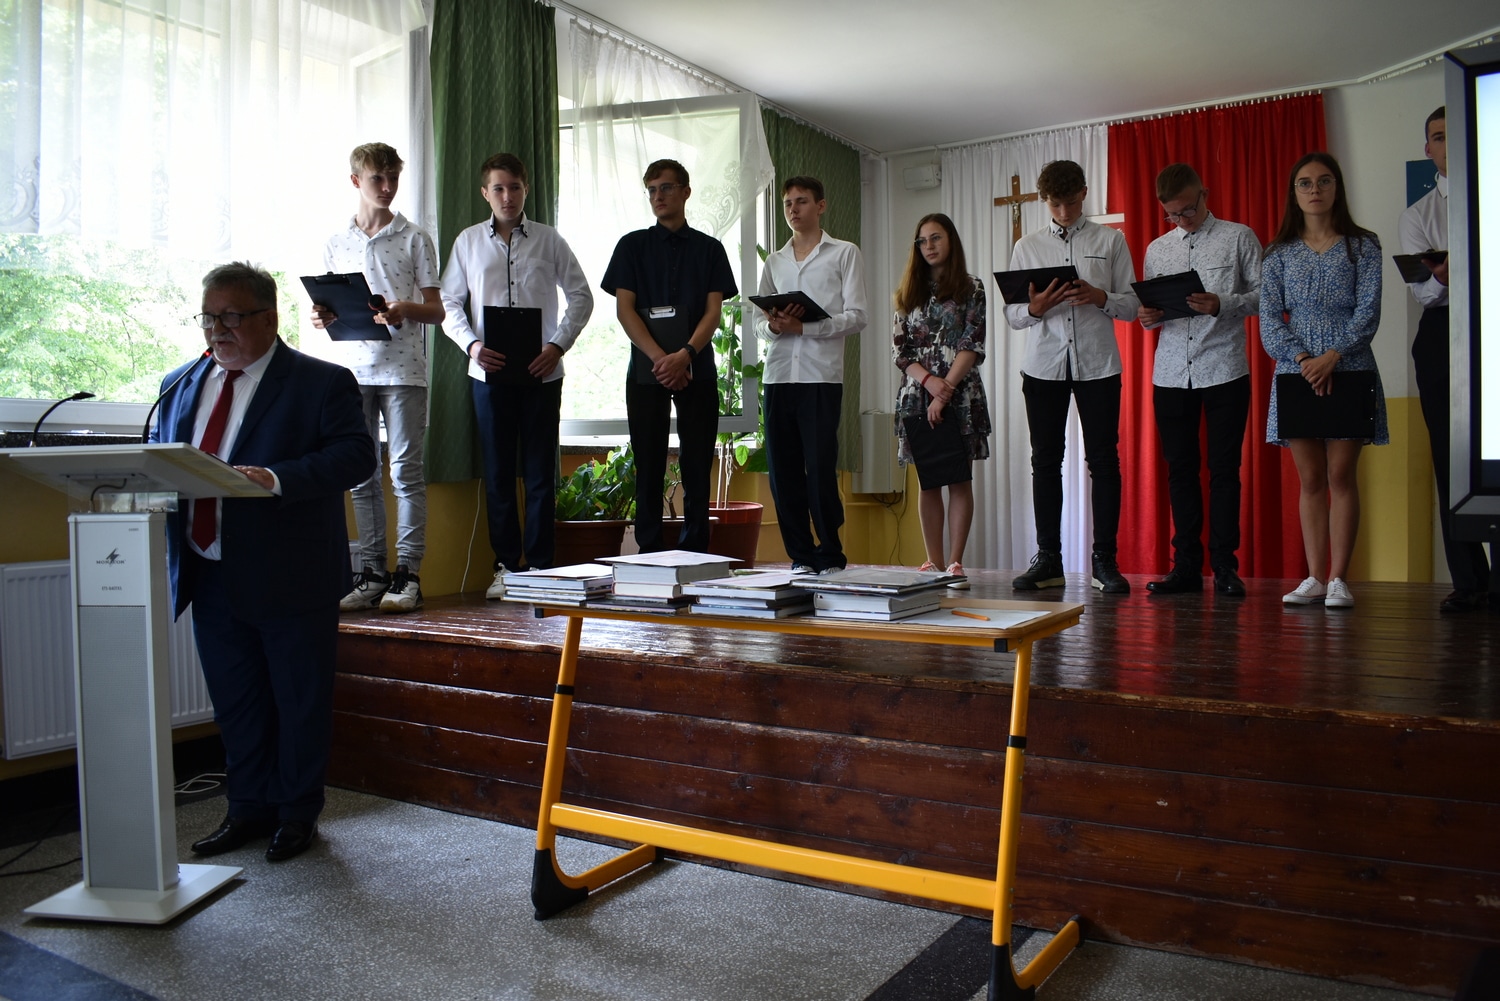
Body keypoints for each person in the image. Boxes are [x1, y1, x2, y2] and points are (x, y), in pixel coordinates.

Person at [152, 262, 373, 862]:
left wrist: (274, 478)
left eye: (230, 317)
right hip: (209, 570)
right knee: (236, 702)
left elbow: (356, 457)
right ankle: (246, 808)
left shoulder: (320, 381)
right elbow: (160, 459)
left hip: (290, 574)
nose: (216, 330)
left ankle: (297, 813)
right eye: (208, 318)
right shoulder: (180, 382)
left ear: (269, 319)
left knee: (299, 702)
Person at [440, 153, 593, 598]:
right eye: (499, 188)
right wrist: (472, 345)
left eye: (515, 187)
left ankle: (541, 568)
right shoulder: (468, 242)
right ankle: (507, 567)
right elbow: (449, 302)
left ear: (526, 190)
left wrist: (557, 345)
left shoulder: (550, 240)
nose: (507, 196)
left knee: (541, 473)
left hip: (542, 372)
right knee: (499, 473)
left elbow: (581, 296)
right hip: (488, 373)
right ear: (485, 193)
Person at [312, 142, 442, 615]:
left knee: (405, 472)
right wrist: (322, 316)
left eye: (393, 178)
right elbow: (332, 303)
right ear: (356, 181)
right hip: (352, 371)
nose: (387, 188)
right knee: (361, 474)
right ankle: (371, 573)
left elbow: (437, 310)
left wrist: (405, 309)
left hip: (404, 370)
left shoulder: (415, 237)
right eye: (377, 179)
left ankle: (408, 574)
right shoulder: (336, 241)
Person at [1004, 159, 1139, 594]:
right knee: (1045, 461)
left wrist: (1100, 296)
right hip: (1043, 366)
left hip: (1098, 364)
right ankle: (1049, 560)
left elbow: (1133, 306)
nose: (1063, 212)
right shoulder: (1027, 246)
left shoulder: (1111, 240)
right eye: (1055, 204)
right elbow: (1012, 314)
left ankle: (1105, 561)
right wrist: (1036, 308)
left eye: (1071, 202)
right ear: (1045, 200)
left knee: (1104, 461)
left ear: (1084, 193)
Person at [1260, 152, 1386, 610]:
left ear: (1337, 188)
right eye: (1306, 183)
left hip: (1349, 366)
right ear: (1294, 192)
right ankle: (1313, 577)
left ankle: (1338, 579)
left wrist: (1332, 356)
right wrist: (1303, 359)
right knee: (1310, 478)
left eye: (1324, 181)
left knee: (1340, 475)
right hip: (1297, 370)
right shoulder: (1278, 252)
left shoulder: (1363, 246)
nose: (1315, 190)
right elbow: (1269, 318)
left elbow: (1368, 312)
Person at [1137, 164, 1261, 597]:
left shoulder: (1239, 237)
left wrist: (1222, 303)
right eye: (1173, 214)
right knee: (1180, 471)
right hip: (1171, 372)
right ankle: (1186, 567)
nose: (1182, 220)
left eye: (1188, 210)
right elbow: (1151, 312)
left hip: (1224, 367)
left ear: (1204, 194)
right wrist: (1148, 316)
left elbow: (1265, 295)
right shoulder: (1157, 249)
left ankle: (1225, 567)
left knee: (1225, 471)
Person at [602, 159, 737, 553]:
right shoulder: (631, 246)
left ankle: (695, 553)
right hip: (647, 371)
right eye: (652, 190)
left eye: (666, 187)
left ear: (686, 192)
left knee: (697, 465)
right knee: (648, 465)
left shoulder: (710, 250)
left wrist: (686, 355)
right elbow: (624, 310)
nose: (658, 196)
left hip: (697, 369)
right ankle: (648, 553)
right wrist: (662, 359)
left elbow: (714, 313)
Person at [1400, 107, 1493, 613]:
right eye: (1438, 137)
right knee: (1449, 458)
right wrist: (1447, 275)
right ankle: (1470, 581)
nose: (1446, 144)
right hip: (1443, 333)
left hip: (1493, 326)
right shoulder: (1418, 216)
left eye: (1453, 135)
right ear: (1428, 149)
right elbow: (1423, 293)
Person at [754, 176, 868, 575]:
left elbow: (858, 316)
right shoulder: (775, 261)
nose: (793, 209)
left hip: (821, 378)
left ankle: (830, 553)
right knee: (782, 472)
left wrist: (806, 327)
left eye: (801, 201)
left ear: (820, 206)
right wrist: (774, 326)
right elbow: (757, 322)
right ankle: (800, 556)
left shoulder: (844, 253)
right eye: (788, 203)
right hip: (778, 376)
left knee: (819, 469)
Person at [892, 213, 991, 587]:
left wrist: (945, 389)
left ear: (951, 240)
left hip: (960, 394)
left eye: (936, 238)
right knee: (929, 481)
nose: (929, 246)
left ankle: (954, 563)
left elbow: (972, 343)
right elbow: (900, 351)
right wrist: (930, 383)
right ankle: (933, 563)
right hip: (917, 394)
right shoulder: (908, 292)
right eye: (923, 240)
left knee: (959, 479)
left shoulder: (971, 287)